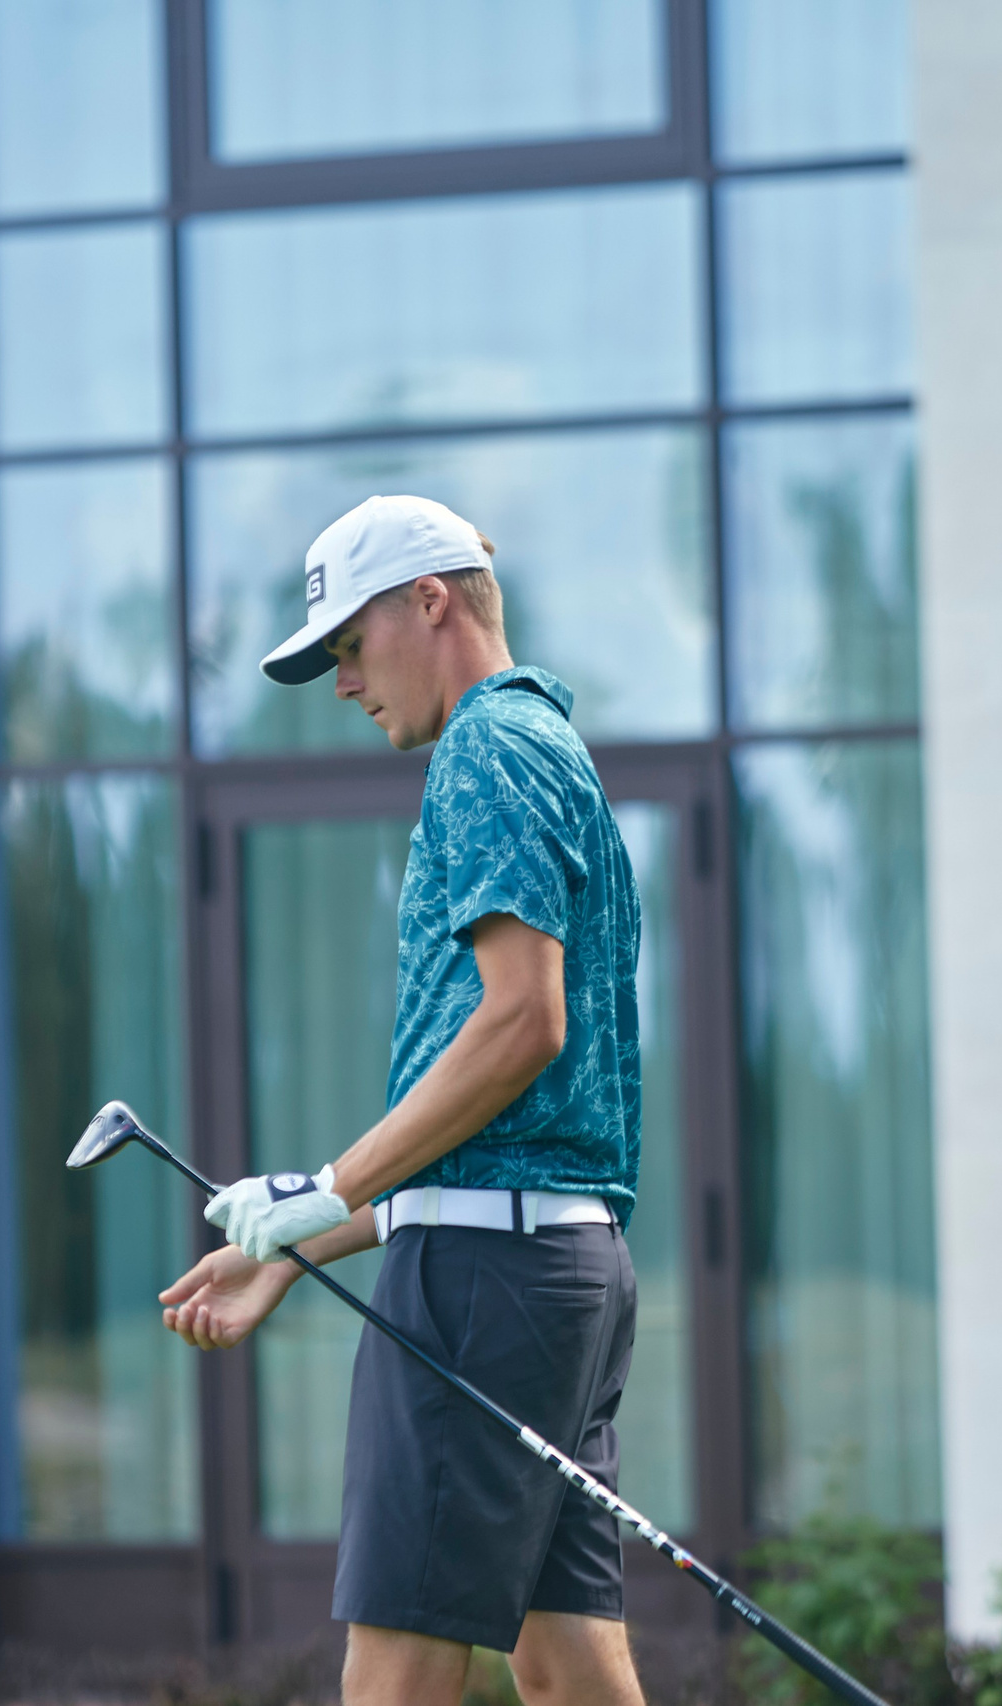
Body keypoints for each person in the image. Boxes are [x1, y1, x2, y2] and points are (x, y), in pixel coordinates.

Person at [160, 494, 647, 1706]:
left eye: (345, 644)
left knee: (393, 1676)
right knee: (564, 1656)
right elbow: (504, 1125)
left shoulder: (486, 745)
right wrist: (297, 1244)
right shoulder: (547, 742)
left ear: (428, 600)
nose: (339, 679)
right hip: (557, 1272)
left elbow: (523, 1022)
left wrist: (325, 1185)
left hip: (485, 1288)